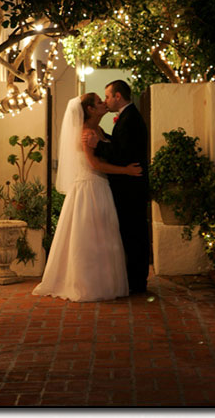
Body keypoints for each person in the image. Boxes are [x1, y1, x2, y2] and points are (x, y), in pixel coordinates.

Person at [32, 93, 142, 302]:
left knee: (104, 236)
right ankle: (86, 283)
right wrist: (126, 171)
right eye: (100, 102)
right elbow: (95, 164)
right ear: (90, 109)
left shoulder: (99, 130)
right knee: (89, 238)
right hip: (89, 187)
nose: (104, 104)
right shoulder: (85, 132)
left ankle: (105, 282)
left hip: (100, 186)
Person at [84, 80, 150, 294]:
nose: (106, 101)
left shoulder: (130, 118)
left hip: (131, 188)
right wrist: (105, 140)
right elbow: (123, 145)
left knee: (133, 234)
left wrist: (100, 144)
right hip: (129, 186)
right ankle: (134, 280)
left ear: (118, 96)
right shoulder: (129, 117)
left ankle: (136, 282)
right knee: (132, 233)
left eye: (108, 96)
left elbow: (123, 155)